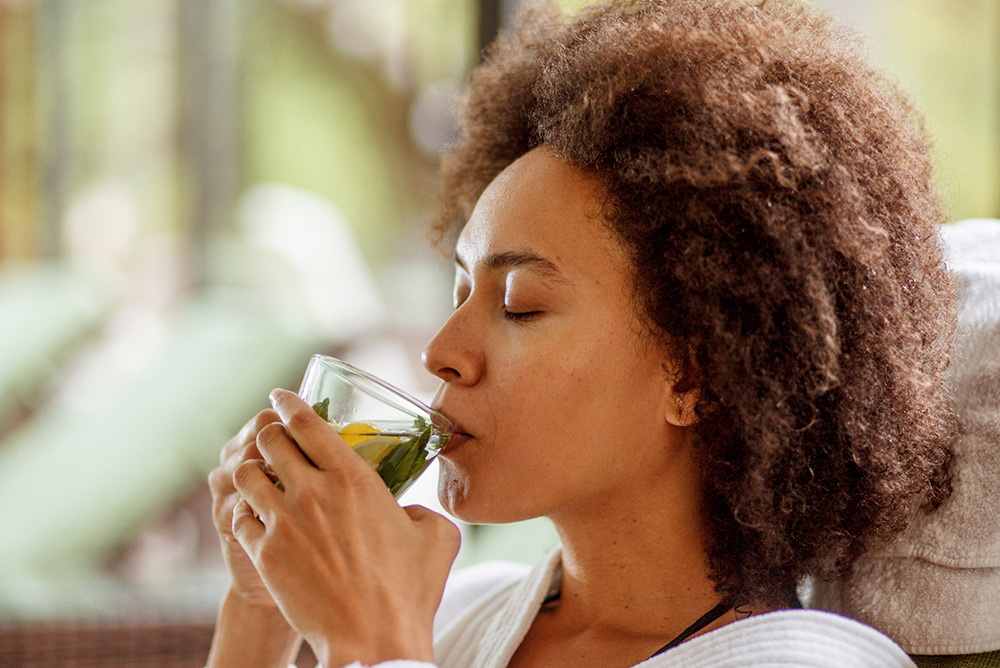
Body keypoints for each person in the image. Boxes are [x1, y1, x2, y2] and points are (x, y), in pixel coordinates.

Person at [205, 0, 958, 666]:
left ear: (696, 374)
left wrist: (374, 644)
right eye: (460, 292)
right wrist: (260, 614)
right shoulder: (457, 613)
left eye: (520, 305)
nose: (440, 353)